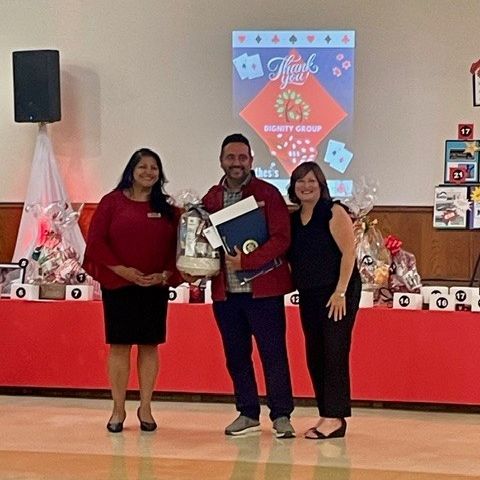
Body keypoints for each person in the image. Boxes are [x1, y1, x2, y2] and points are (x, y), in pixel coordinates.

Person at [200, 133, 295, 438]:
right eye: (231, 157)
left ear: (251, 161)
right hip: (226, 294)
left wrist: (248, 261)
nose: (236, 163)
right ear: (221, 161)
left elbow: (282, 239)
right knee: (236, 356)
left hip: (263, 293)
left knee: (273, 354)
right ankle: (248, 412)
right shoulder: (210, 199)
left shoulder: (268, 193)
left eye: (242, 157)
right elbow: (202, 240)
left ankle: (282, 415)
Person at [83, 148, 179, 433]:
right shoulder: (111, 202)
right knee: (120, 346)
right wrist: (122, 270)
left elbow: (178, 247)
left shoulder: (169, 209)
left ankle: (145, 407)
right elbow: (96, 242)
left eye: (154, 168)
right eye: (143, 167)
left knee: (149, 346)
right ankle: (117, 409)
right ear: (131, 171)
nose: (148, 172)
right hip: (119, 286)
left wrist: (165, 274)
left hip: (154, 287)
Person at [287, 161, 361, 440]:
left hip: (337, 293)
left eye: (311, 181)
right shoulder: (294, 219)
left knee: (334, 352)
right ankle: (327, 413)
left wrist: (340, 291)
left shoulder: (333, 211)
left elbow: (349, 253)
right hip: (310, 294)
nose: (306, 186)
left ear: (321, 185)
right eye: (300, 181)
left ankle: (336, 418)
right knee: (315, 353)